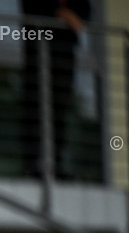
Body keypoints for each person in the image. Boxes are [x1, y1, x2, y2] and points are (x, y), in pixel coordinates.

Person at [20, 0, 91, 178]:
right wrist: (64, 15)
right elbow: (34, 10)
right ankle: (31, 164)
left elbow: (85, 12)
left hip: (64, 55)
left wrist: (65, 15)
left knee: (59, 110)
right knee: (35, 108)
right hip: (38, 53)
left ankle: (55, 165)